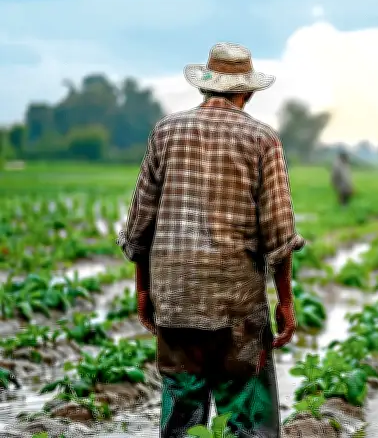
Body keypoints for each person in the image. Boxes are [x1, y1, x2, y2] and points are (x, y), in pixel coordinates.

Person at [117, 42, 305, 438]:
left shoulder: (165, 132)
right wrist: (285, 301)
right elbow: (280, 235)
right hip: (236, 308)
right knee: (246, 414)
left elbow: (140, 227)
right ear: (248, 91)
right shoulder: (262, 139)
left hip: (176, 298)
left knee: (182, 414)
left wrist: (143, 291)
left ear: (205, 86)